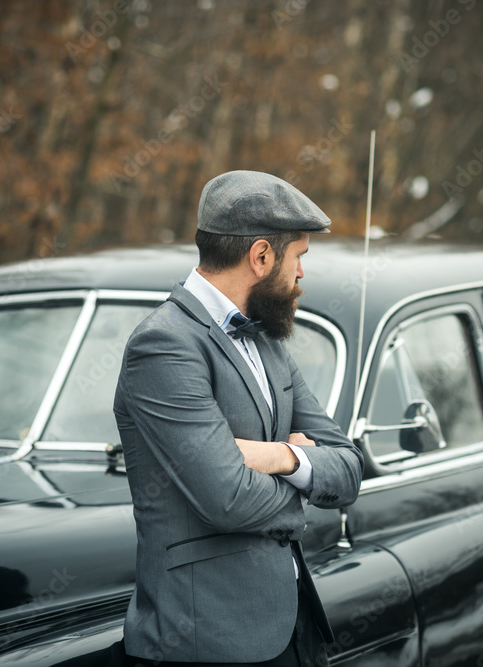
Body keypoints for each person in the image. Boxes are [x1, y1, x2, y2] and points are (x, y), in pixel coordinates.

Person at [113, 170, 364, 667]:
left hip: (294, 628)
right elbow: (227, 500)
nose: (301, 274)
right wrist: (307, 477)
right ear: (262, 256)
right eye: (299, 257)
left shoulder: (268, 339)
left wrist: (278, 456)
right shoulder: (163, 344)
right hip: (207, 643)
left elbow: (351, 467)